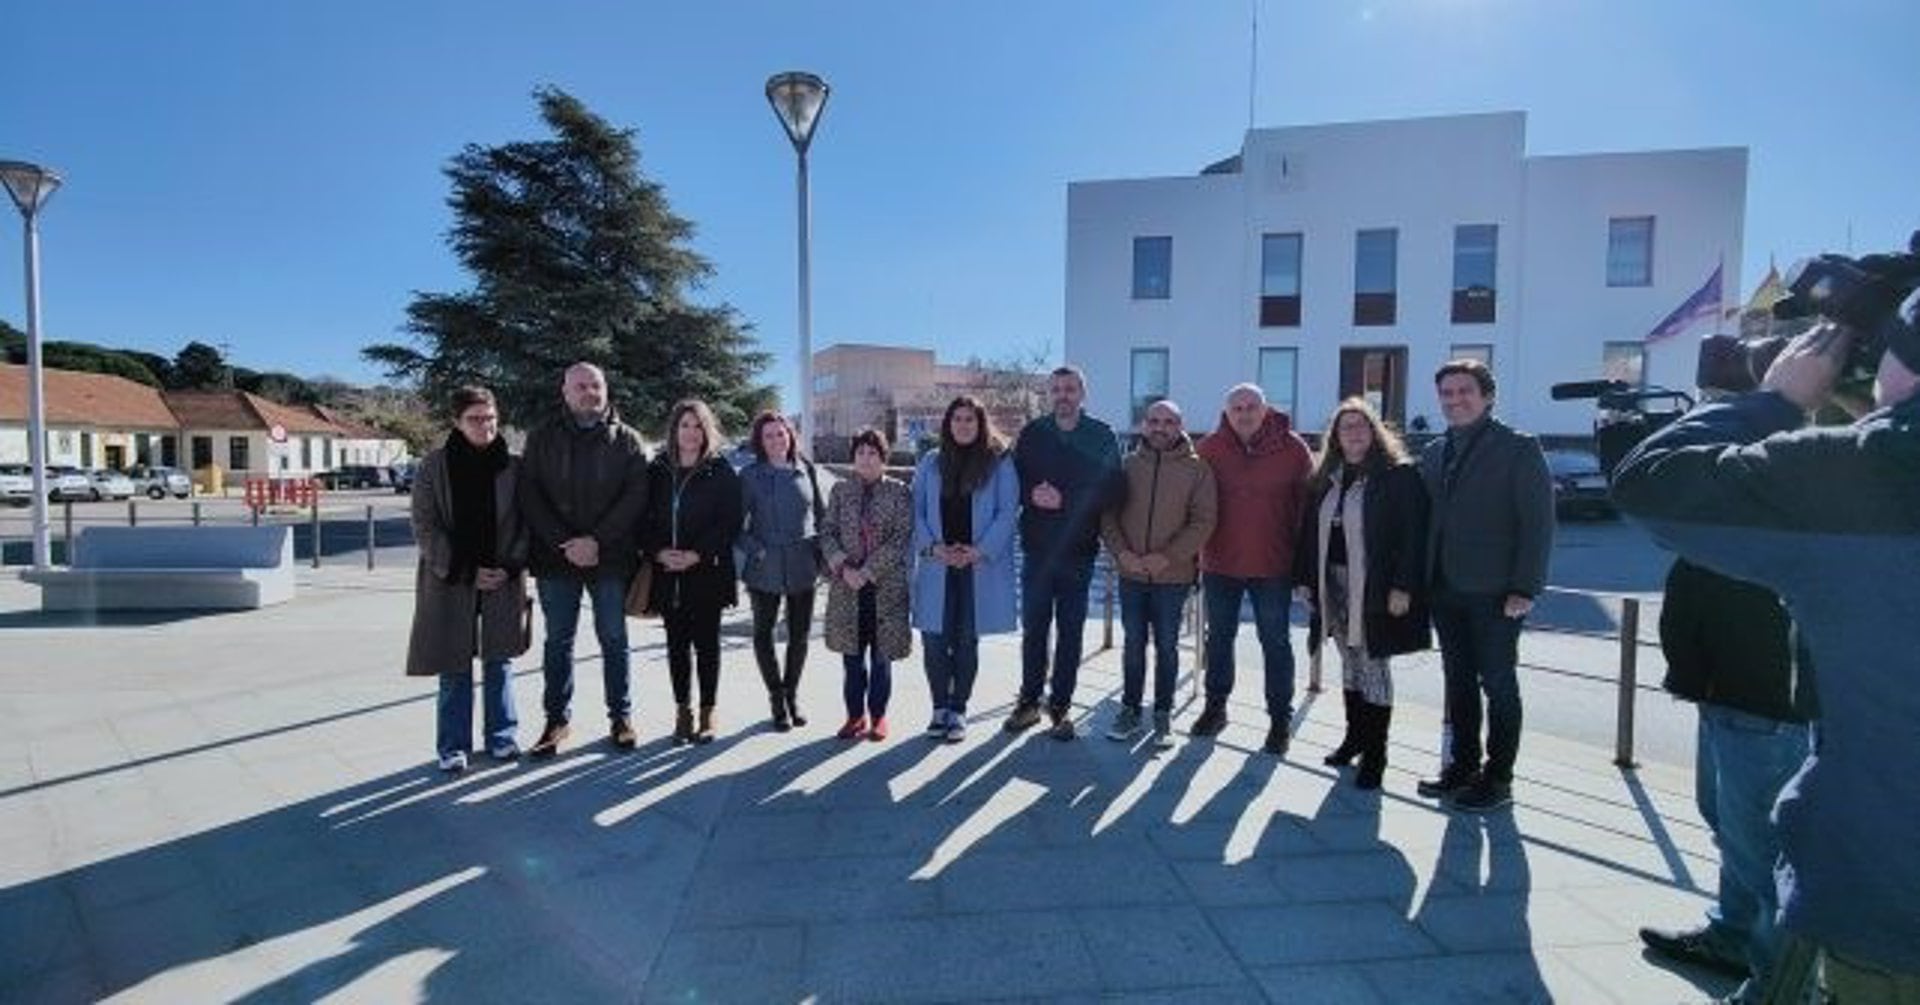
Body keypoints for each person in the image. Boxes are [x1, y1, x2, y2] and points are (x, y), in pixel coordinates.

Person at [1613, 314, 1920, 1002]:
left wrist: (1776, 401)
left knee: (1755, 840)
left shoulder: (1871, 469)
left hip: (1889, 892)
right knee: (1736, 829)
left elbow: (1653, 480)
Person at [1636, 558, 1815, 1004]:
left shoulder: (1781, 510)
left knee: (1764, 850)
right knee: (1731, 829)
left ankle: (1776, 988)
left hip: (1761, 704)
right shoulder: (1734, 506)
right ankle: (1733, 935)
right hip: (1724, 693)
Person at [1415, 358, 1554, 813]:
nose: (1455, 400)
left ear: (1488, 396)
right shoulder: (1435, 451)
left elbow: (1537, 524)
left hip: (1497, 591)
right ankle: (1462, 766)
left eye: (1464, 392)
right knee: (1457, 682)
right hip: (1445, 586)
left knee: (1498, 682)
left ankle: (1498, 778)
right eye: (1447, 394)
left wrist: (1525, 587)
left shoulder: (1519, 448)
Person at [1293, 398, 1430, 790]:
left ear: (1375, 431)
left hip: (1375, 585)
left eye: (1361, 425)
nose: (1353, 432)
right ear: (1335, 436)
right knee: (1349, 662)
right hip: (1331, 580)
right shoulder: (1326, 477)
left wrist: (1403, 586)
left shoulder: (1398, 476)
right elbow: (1308, 533)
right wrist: (1305, 579)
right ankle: (1354, 739)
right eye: (1345, 426)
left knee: (1373, 665)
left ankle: (1376, 755)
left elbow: (1413, 536)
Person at [518, 362, 650, 757]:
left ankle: (620, 718)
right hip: (555, 559)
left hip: (610, 559)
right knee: (558, 641)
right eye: (580, 386)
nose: (589, 392)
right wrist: (567, 542)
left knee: (614, 639)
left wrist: (596, 541)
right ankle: (555, 721)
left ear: (605, 390)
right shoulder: (542, 438)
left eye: (595, 385)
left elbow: (635, 498)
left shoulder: (628, 440)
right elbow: (530, 496)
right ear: (565, 391)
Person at [406, 386, 530, 772]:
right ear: (457, 422)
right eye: (475, 419)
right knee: (453, 665)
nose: (485, 425)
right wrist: (464, 571)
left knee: (500, 661)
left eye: (490, 417)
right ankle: (452, 746)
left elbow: (527, 523)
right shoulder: (433, 466)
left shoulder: (515, 466)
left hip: (501, 578)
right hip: (450, 580)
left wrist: (509, 568)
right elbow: (425, 527)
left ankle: (502, 737)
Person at [1194, 383, 1314, 753]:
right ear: (1226, 413)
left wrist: (1304, 565)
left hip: (1273, 564)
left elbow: (1306, 509)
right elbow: (1193, 502)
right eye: (1237, 408)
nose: (1244, 413)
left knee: (1275, 642)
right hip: (1220, 563)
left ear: (1265, 410)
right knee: (1219, 639)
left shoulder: (1293, 449)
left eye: (1251, 406)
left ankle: (1280, 719)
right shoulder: (1209, 449)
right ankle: (1216, 707)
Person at [1006, 366, 1122, 740]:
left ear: (1082, 394)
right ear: (1049, 394)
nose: (1063, 395)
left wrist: (1066, 499)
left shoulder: (1101, 436)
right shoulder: (1033, 434)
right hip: (1038, 551)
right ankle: (1028, 702)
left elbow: (1115, 491)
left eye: (1070, 389)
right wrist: (1030, 495)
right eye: (1056, 389)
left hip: (1079, 552)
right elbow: (1014, 481)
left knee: (1071, 632)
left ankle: (1061, 707)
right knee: (1034, 631)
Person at [1099, 400, 1217, 750]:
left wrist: (1166, 558)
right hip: (1131, 573)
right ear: (1143, 425)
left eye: (1168, 421)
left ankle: (1163, 712)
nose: (1159, 427)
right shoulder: (1126, 465)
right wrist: (1122, 554)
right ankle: (1131, 710)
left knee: (1166, 645)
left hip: (1173, 576)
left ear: (1180, 425)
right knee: (1133, 644)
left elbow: (1203, 521)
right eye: (1153, 421)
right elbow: (1107, 515)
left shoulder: (1198, 470)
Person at [912, 395, 1020, 743]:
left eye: (970, 419)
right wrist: (934, 548)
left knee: (965, 641)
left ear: (980, 423)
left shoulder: (999, 462)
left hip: (977, 567)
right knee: (932, 639)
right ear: (948, 423)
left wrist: (980, 551)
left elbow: (1008, 512)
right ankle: (938, 707)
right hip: (937, 564)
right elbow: (917, 512)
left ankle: (958, 710)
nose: (963, 424)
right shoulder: (931, 462)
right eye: (957, 418)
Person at [639, 399, 742, 745]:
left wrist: (697, 554)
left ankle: (708, 711)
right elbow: (644, 518)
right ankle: (682, 712)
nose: (691, 432)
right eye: (685, 425)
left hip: (707, 572)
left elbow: (729, 521)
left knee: (707, 646)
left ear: (707, 430)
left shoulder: (720, 470)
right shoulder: (658, 469)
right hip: (667, 572)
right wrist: (658, 551)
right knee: (676, 646)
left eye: (698, 426)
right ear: (674, 429)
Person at [821, 428, 914, 742]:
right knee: (851, 658)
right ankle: (854, 716)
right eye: (860, 452)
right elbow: (827, 532)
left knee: (881, 658)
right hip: (847, 587)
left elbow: (902, 536)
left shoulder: (899, 491)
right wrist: (844, 566)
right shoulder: (840, 491)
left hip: (885, 586)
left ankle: (878, 717)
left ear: (883, 458)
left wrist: (869, 570)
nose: (866, 458)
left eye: (872, 453)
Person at [738, 410, 827, 732]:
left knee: (799, 637)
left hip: (803, 563)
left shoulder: (806, 469)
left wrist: (822, 557)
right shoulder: (750, 475)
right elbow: (736, 526)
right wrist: (756, 550)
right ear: (760, 442)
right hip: (765, 565)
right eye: (769, 435)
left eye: (781, 433)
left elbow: (821, 516)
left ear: (790, 435)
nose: (777, 440)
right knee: (763, 635)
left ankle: (792, 695)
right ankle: (776, 698)